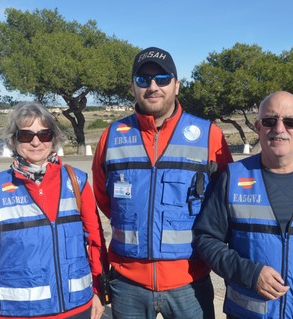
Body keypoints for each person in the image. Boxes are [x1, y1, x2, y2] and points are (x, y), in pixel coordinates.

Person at [92, 46, 233, 319]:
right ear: (133, 87)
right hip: (128, 284)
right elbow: (104, 196)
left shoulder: (209, 135)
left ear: (176, 85)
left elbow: (224, 203)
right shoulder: (112, 136)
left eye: (163, 79)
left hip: (189, 282)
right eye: (143, 80)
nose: (153, 87)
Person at [193, 91, 293, 319]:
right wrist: (249, 273)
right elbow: (206, 239)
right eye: (270, 121)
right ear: (258, 127)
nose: (279, 129)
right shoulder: (234, 177)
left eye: (290, 122)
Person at [0, 102, 108, 319]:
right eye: (25, 135)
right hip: (21, 313)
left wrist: (100, 291)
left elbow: (96, 241)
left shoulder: (76, 181)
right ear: (14, 140)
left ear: (53, 138)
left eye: (44, 134)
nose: (35, 141)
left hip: (78, 308)